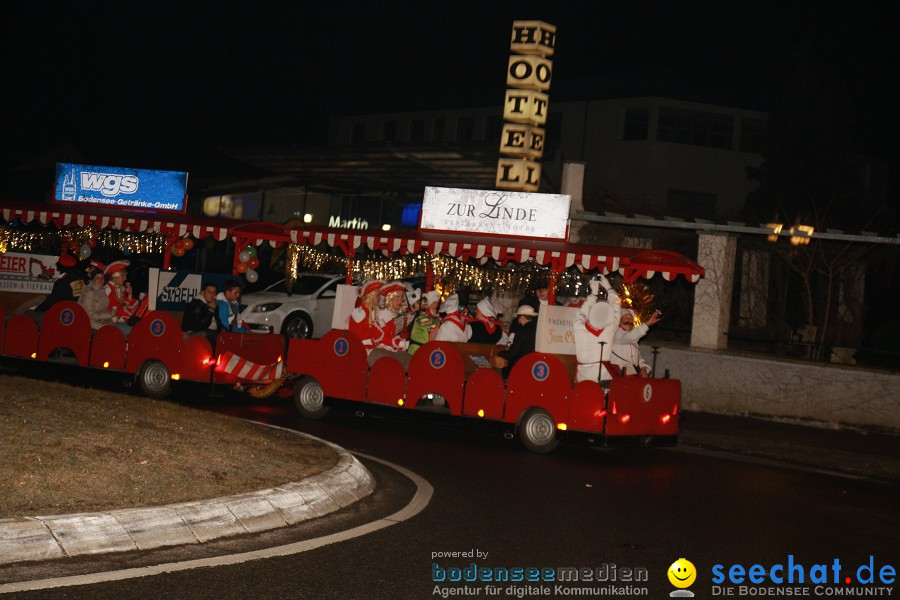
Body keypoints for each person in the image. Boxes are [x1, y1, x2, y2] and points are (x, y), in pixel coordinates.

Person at [573, 274, 621, 384]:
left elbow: (583, 313)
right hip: (603, 379)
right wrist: (609, 288)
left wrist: (593, 294)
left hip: (582, 379)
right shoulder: (609, 330)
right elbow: (617, 308)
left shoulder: (579, 327)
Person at [610, 308, 662, 377]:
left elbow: (638, 360)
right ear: (619, 320)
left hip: (632, 377)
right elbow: (630, 336)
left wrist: (644, 369)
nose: (629, 319)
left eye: (631, 318)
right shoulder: (615, 333)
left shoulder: (634, 341)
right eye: (626, 317)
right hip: (616, 376)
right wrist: (648, 323)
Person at [498, 304, 538, 379]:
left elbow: (513, 353)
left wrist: (500, 353)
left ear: (522, 317)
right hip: (534, 365)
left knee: (499, 371)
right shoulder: (537, 329)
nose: (518, 321)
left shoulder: (522, 331)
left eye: (518, 318)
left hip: (521, 366)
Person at [349, 280, 386, 352]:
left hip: (368, 347)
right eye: (377, 295)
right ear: (370, 297)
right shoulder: (360, 313)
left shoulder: (370, 312)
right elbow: (361, 336)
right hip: (360, 349)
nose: (380, 298)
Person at [408, 290, 442, 355]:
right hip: (420, 348)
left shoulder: (435, 316)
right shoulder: (424, 316)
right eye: (435, 302)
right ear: (431, 303)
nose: (437, 305)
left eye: (438, 303)